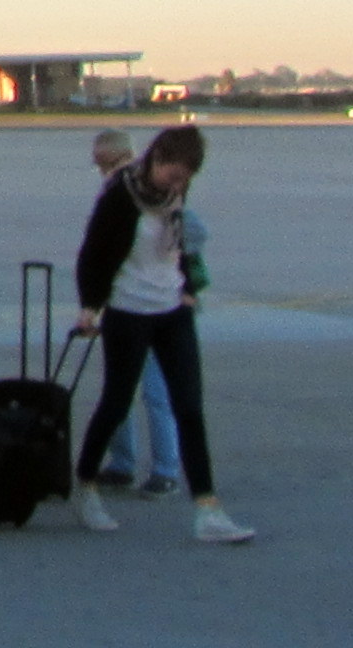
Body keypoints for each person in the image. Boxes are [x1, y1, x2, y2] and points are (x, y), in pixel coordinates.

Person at [70, 123, 252, 544]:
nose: (179, 184)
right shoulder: (120, 195)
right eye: (174, 174)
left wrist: (187, 288)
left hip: (172, 310)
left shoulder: (174, 192)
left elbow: (180, 242)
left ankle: (208, 509)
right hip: (128, 309)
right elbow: (92, 254)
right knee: (116, 402)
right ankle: (85, 486)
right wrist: (90, 307)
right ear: (157, 159)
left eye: (186, 178)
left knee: (189, 406)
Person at [87, 128, 184, 494]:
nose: (103, 173)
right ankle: (125, 463)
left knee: (151, 391)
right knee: (122, 391)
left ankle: (164, 468)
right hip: (127, 300)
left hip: (150, 303)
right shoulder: (129, 191)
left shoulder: (138, 194)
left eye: (104, 165)